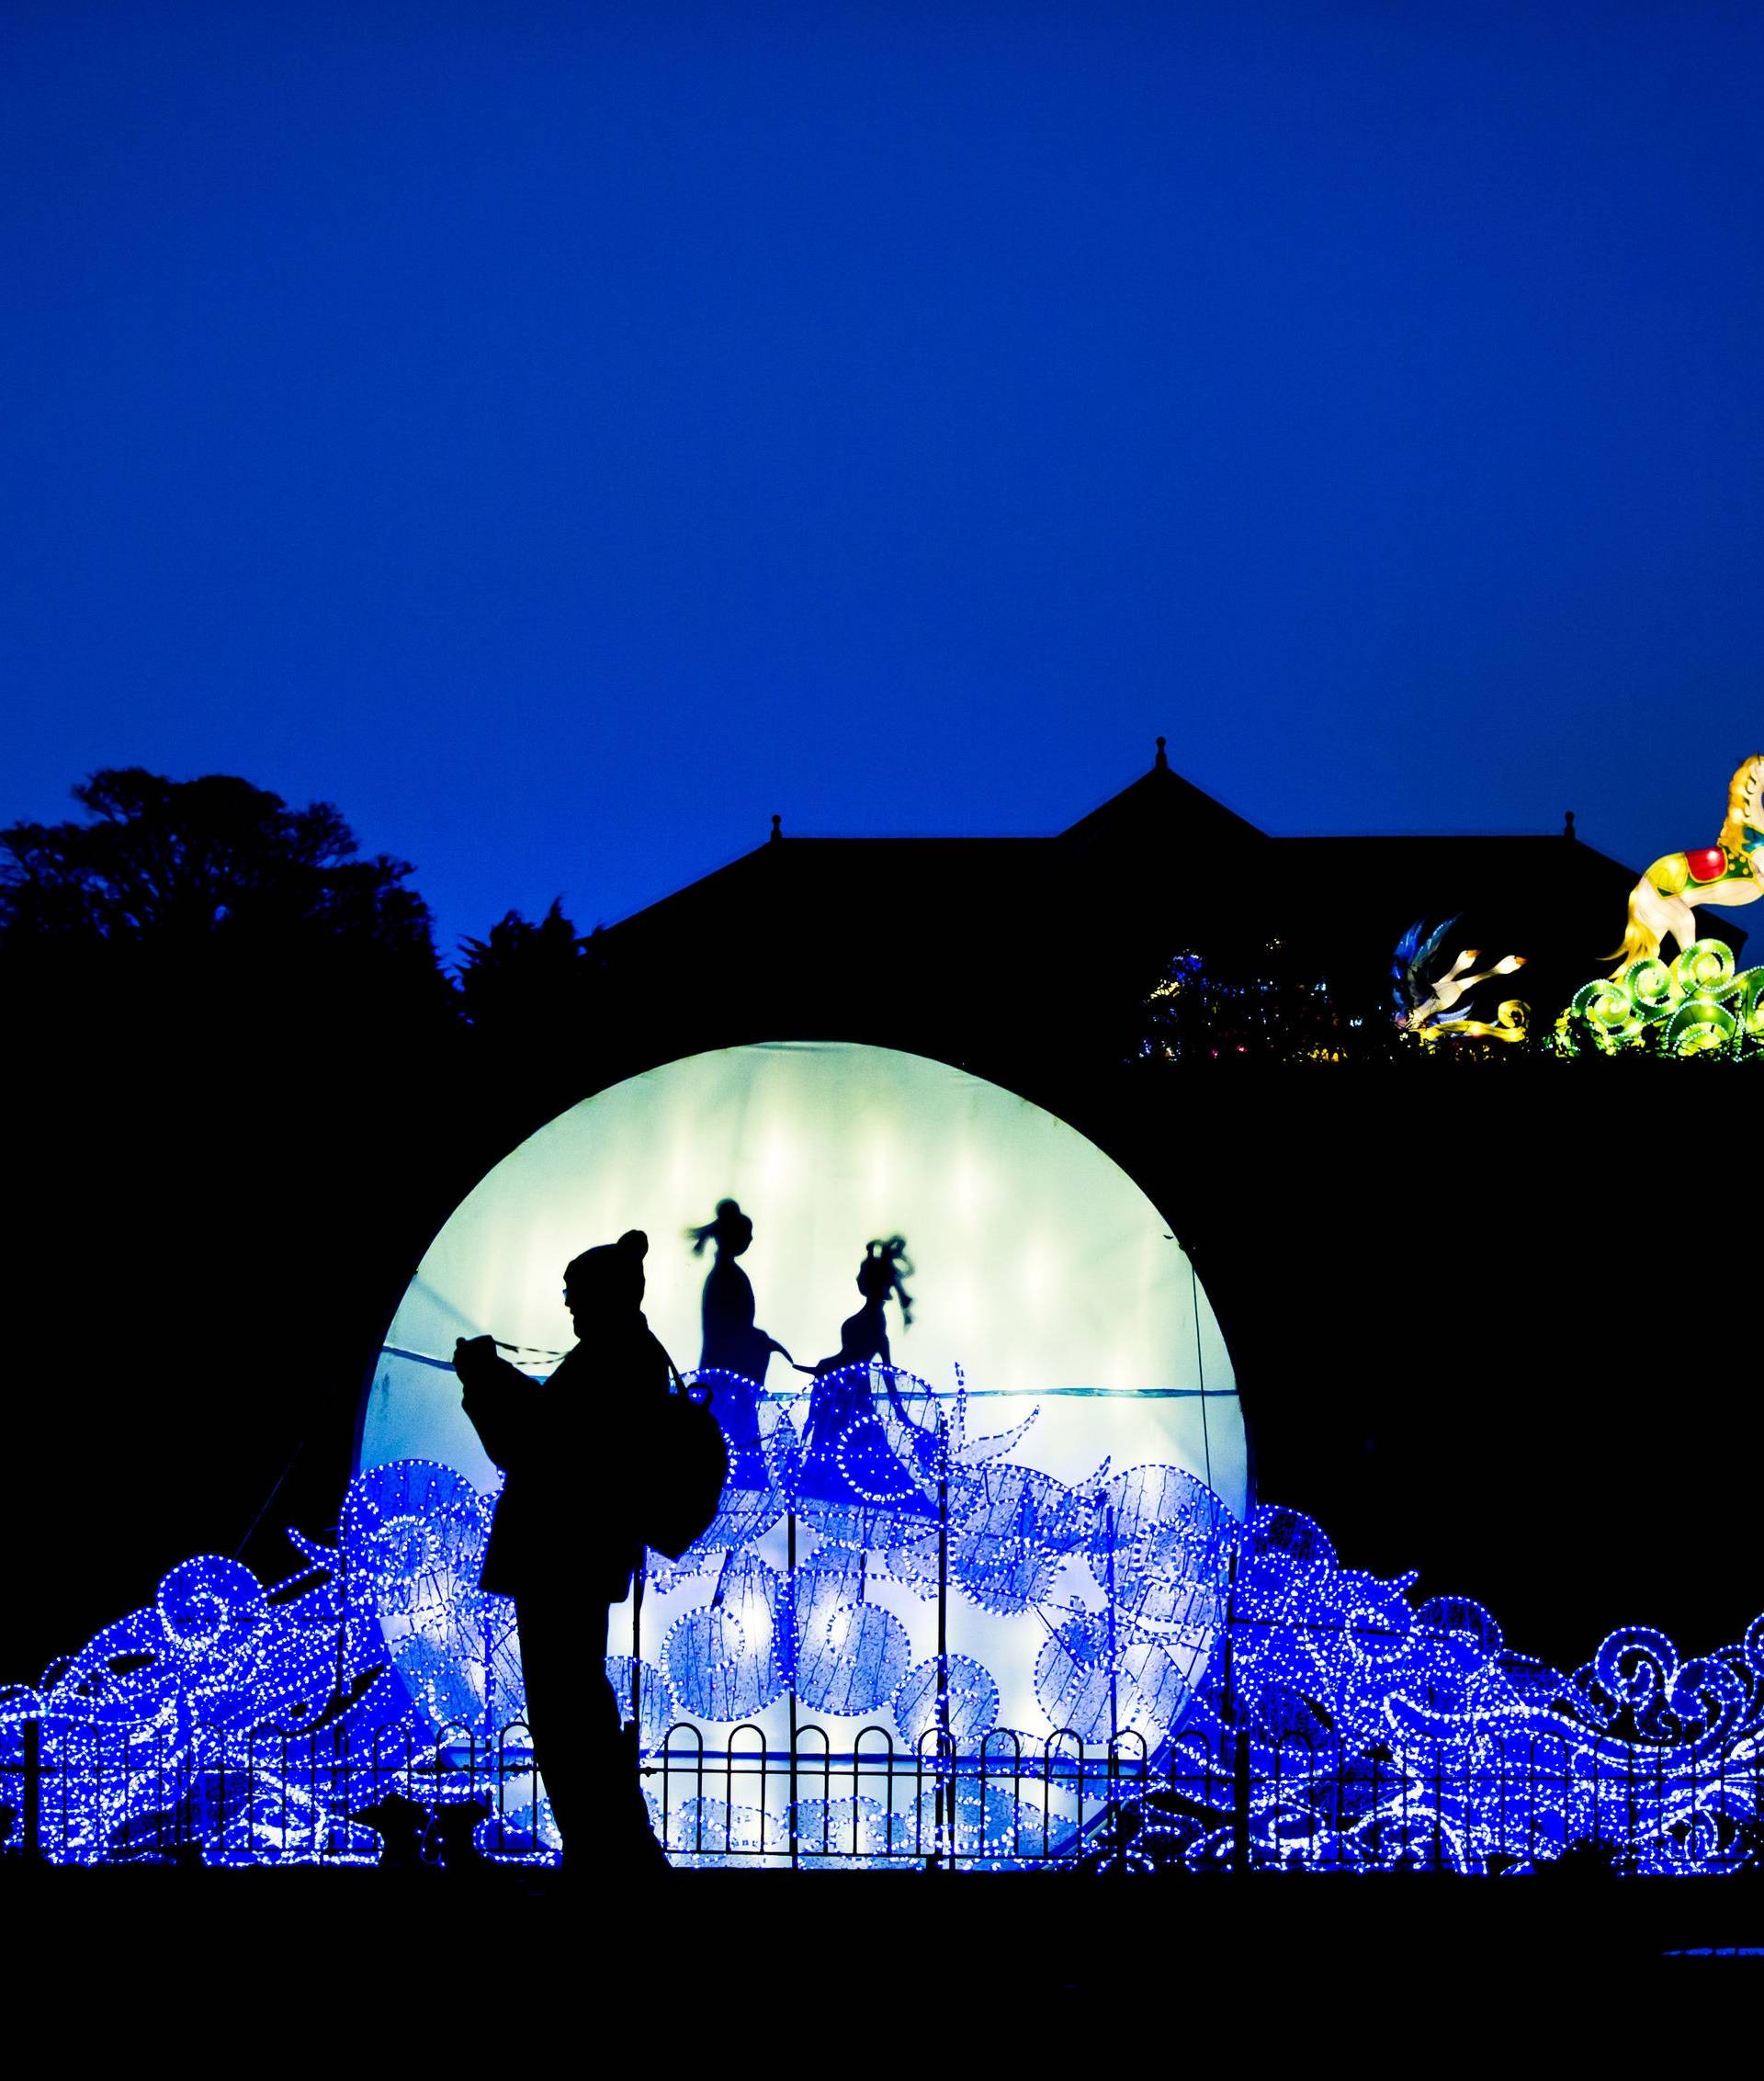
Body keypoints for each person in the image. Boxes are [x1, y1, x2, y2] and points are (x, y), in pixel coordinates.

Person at [453, 1228, 671, 1876]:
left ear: (604, 1296)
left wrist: (486, 1378)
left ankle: (607, 1849)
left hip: (561, 1557)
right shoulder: (628, 1354)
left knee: (567, 1711)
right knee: (575, 1704)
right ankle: (611, 1845)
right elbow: (555, 1425)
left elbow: (543, 1440)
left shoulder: (610, 1357)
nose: (570, 1310)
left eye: (576, 1297)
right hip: (580, 1556)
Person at [686, 1198, 793, 1492]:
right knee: (728, 1432)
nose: (751, 1239)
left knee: (725, 1432)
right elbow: (730, 1329)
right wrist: (761, 1339)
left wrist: (759, 1338)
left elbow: (734, 1327)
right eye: (747, 1234)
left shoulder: (726, 1275)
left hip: (724, 1372)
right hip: (726, 1373)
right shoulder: (726, 1277)